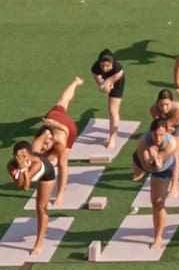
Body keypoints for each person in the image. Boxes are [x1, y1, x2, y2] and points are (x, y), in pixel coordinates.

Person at [7, 79, 85, 255]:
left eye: (23, 156)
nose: (21, 158)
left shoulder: (57, 144)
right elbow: (21, 184)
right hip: (53, 119)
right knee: (62, 102)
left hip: (67, 132)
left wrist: (60, 194)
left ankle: (39, 244)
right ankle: (75, 82)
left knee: (58, 164)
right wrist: (19, 169)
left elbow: (28, 184)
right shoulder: (33, 148)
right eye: (18, 157)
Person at [131, 117, 179, 252]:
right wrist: (150, 157)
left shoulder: (171, 143)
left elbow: (157, 167)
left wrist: (155, 157)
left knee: (157, 202)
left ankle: (158, 237)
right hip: (144, 160)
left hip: (163, 168)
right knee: (136, 173)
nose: (158, 139)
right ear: (150, 133)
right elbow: (147, 165)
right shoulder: (143, 141)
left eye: (161, 135)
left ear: (166, 134)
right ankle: (138, 173)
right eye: (155, 135)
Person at [90, 49, 127, 150]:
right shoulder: (95, 68)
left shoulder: (118, 69)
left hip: (117, 82)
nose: (105, 69)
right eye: (103, 66)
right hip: (106, 81)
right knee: (105, 91)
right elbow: (101, 82)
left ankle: (112, 138)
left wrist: (107, 85)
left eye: (107, 66)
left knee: (112, 110)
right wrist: (103, 86)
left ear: (112, 63)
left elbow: (110, 82)